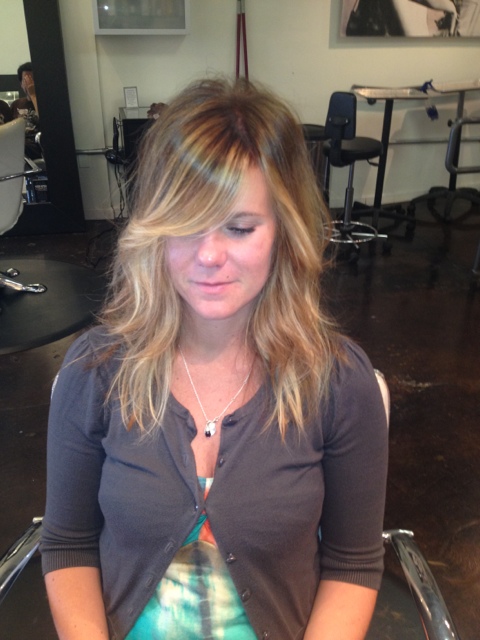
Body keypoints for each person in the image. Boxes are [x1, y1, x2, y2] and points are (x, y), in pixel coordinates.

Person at [40, 77, 388, 640]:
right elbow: (68, 543)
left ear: (284, 230)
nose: (209, 255)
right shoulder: (97, 371)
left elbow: (353, 563)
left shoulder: (337, 382)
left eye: (239, 227)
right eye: (186, 225)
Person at [10, 62, 42, 160]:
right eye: (26, 80)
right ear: (21, 83)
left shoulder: (46, 103)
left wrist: (33, 95)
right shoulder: (16, 104)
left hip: (37, 145)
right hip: (19, 148)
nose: (30, 83)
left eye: (32, 79)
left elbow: (47, 124)